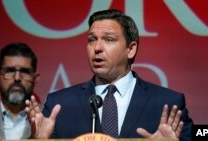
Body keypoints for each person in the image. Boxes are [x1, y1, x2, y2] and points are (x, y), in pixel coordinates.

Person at [26, 9, 193, 140]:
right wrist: (37, 139)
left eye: (109, 39)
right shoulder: (60, 105)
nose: (97, 48)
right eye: (92, 39)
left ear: (131, 49)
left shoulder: (168, 104)